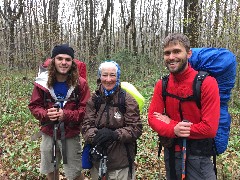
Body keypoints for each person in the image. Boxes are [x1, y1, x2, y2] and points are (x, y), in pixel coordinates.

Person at [148, 33, 220, 180]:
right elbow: (152, 118)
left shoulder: (207, 83)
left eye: (176, 51)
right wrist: (173, 129)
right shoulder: (162, 84)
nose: (171, 57)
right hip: (171, 154)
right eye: (167, 53)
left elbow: (209, 129)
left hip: (199, 158)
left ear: (188, 53)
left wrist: (172, 125)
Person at [28, 44, 90, 180]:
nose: (63, 62)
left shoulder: (80, 84)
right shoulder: (43, 82)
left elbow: (86, 110)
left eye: (68, 59)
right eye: (59, 58)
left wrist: (65, 115)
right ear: (53, 61)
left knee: (75, 172)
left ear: (72, 62)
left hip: (71, 134)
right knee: (50, 169)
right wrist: (46, 114)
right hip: (49, 132)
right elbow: (34, 105)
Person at [81, 60, 142, 180]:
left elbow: (136, 128)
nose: (108, 79)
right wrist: (96, 136)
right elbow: (86, 125)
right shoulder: (94, 99)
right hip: (97, 160)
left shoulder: (127, 99)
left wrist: (114, 135)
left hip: (121, 163)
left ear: (118, 76)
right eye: (104, 75)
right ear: (100, 76)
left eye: (112, 75)